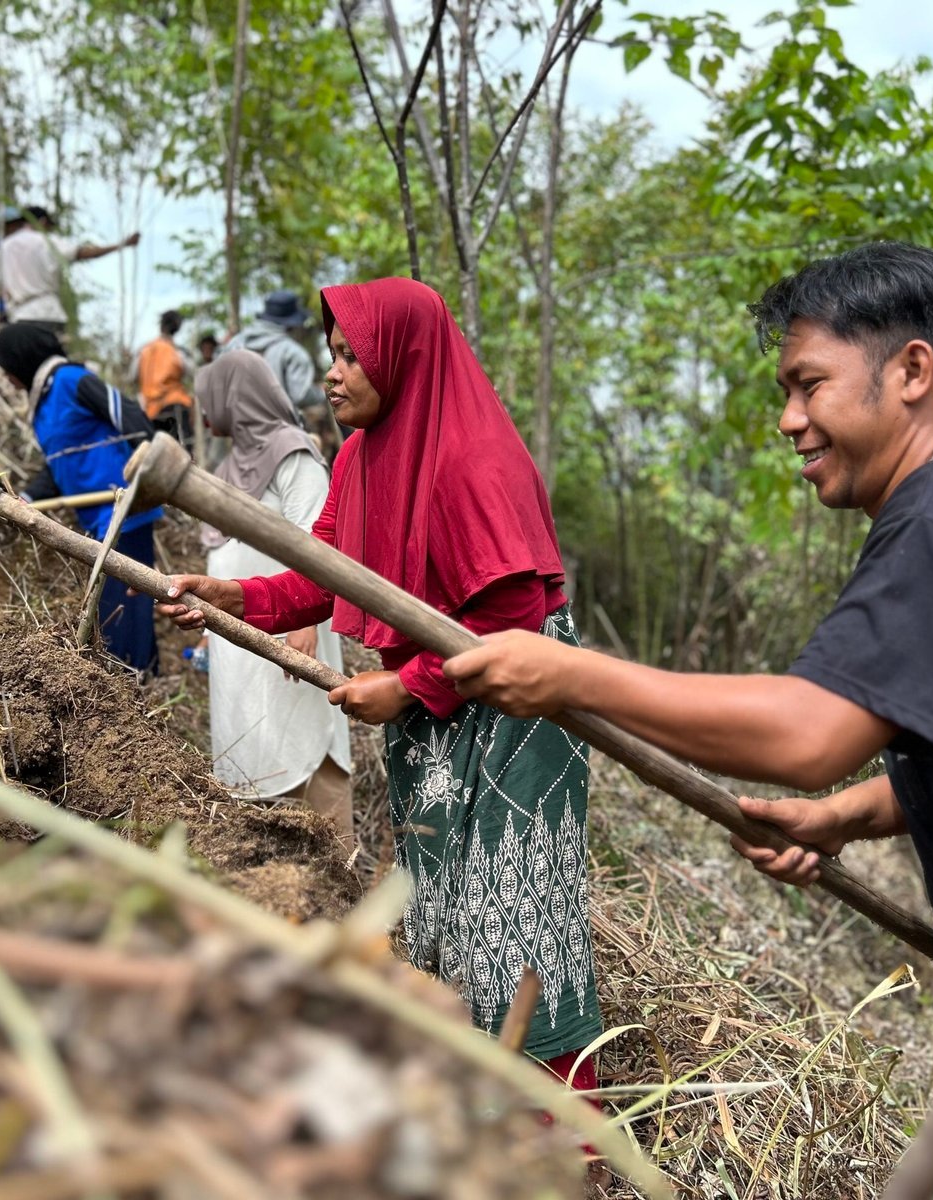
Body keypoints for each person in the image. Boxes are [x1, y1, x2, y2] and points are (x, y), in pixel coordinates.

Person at [442, 242, 933, 1198]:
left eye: (808, 384)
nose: (789, 419)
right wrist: (848, 817)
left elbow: (809, 733)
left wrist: (573, 677)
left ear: (912, 370)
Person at [158, 278, 603, 1090]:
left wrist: (406, 689)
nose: (333, 373)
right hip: (441, 698)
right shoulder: (364, 456)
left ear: (403, 356)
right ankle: (466, 1087)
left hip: (516, 708)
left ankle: (555, 1119)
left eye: (352, 355)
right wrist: (237, 598)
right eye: (332, 354)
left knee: (511, 907)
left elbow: (508, 617)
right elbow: (325, 576)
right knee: (437, 896)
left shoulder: (475, 460)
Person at [194, 350, 353, 841]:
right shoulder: (225, 469)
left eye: (212, 396)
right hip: (238, 641)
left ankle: (334, 880)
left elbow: (316, 544)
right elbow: (221, 556)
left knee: (302, 742)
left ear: (235, 398)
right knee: (250, 746)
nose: (204, 409)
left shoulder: (294, 453)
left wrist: (303, 621)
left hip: (291, 630)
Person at [0, 324, 162, 673]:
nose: (6, 376)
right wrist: (26, 496)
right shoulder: (42, 403)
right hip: (95, 519)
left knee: (122, 603)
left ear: (22, 360)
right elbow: (59, 463)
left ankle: (132, 680)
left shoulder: (70, 380)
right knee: (115, 603)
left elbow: (129, 415)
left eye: (6, 367)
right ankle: (140, 673)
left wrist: (150, 472)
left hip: (124, 509)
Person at [0, 206, 141, 334]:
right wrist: (121, 245)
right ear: (42, 222)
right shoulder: (45, 241)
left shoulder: (3, 248)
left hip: (19, 316)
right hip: (50, 314)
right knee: (51, 364)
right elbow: (83, 253)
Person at [220, 289, 325, 417]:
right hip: (279, 429)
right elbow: (300, 395)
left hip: (239, 428)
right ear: (292, 324)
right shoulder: (292, 352)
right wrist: (321, 392)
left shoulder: (234, 344)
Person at [132, 310, 195, 444]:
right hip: (174, 404)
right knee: (183, 449)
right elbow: (192, 372)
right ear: (177, 328)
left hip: (150, 411)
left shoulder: (144, 350)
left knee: (160, 453)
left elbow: (132, 375)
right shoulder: (176, 350)